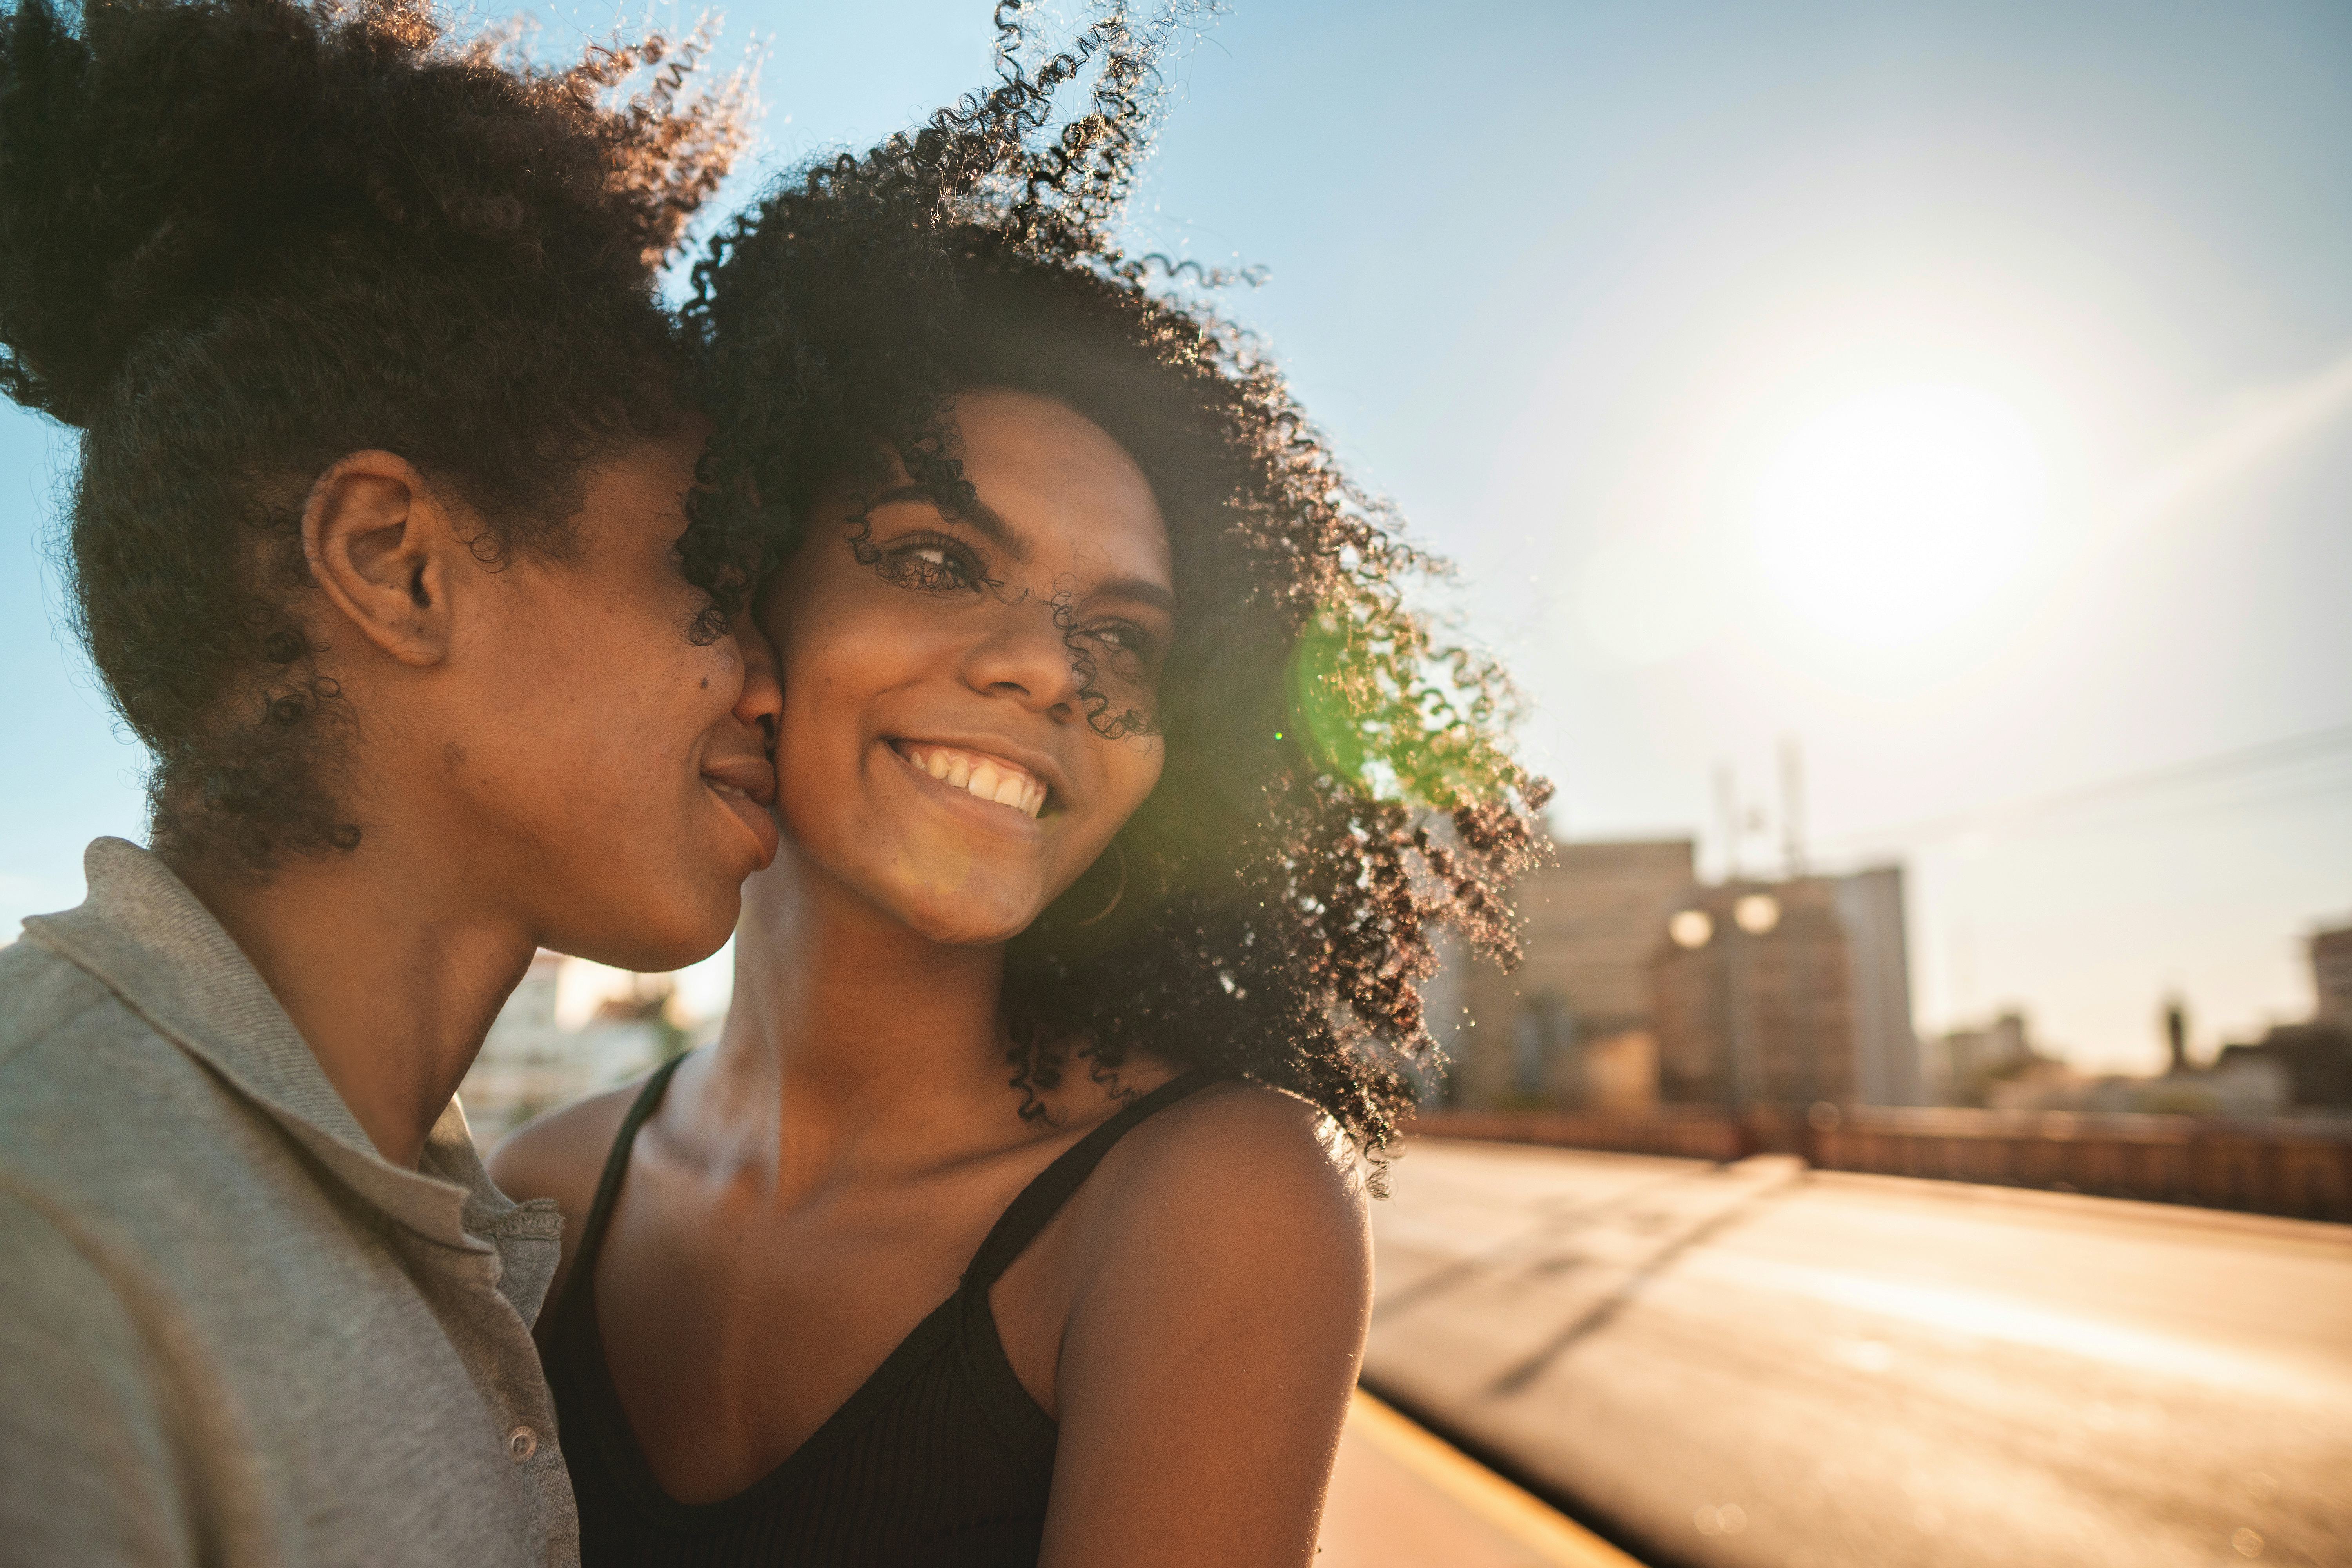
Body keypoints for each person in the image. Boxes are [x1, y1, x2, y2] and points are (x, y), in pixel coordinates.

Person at [492, 18, 1552, 1568]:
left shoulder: (1206, 1203)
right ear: (744, 592)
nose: (1053, 672)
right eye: (940, 559)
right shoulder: (541, 1196)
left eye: (1121, 635)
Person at [0, 1, 772, 1563]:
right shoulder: (57, 1245)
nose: (774, 670)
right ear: (396, 565)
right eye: (712, 573)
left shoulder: (430, 1227)